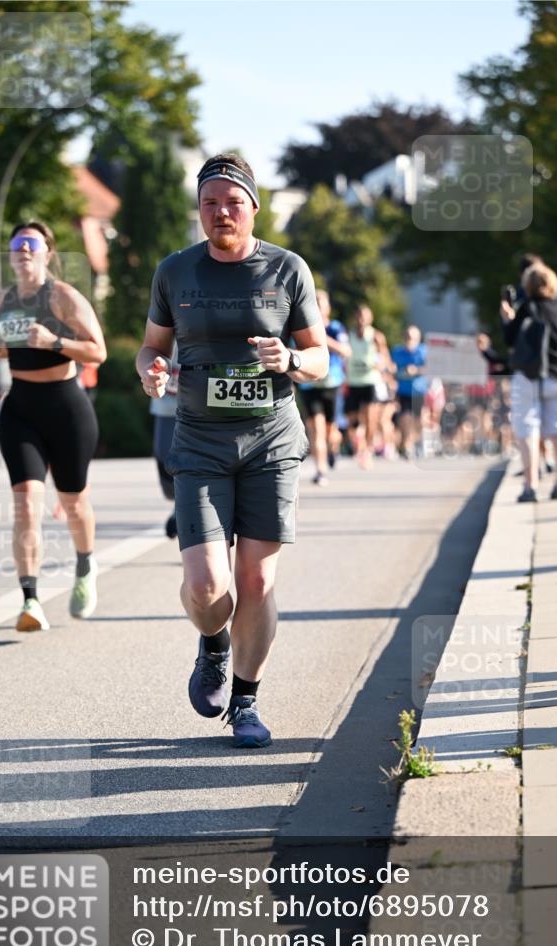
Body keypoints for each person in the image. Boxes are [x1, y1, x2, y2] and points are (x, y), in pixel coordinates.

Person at [137, 152, 328, 749]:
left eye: (233, 202)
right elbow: (149, 348)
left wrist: (291, 360)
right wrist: (152, 372)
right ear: (199, 210)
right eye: (210, 203)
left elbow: (321, 357)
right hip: (198, 442)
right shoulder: (175, 271)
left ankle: (245, 702)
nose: (221, 212)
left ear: (253, 206)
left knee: (259, 581)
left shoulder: (287, 269)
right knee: (205, 589)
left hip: (271, 440)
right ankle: (214, 643)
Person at [0, 221, 107, 630]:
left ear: (47, 253)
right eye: (17, 245)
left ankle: (85, 566)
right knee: (26, 505)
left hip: (66, 409)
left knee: (73, 503)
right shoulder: (3, 300)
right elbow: (9, 349)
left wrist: (53, 341)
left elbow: (97, 352)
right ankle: (30, 600)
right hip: (21, 410)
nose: (23, 250)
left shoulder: (63, 297)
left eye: (31, 243)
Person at [501, 263, 557, 501]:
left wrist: (507, 319)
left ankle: (530, 486)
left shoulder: (526, 309)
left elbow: (510, 340)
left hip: (528, 376)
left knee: (527, 431)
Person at [298, 288, 350, 485]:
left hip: (332, 383)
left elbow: (346, 351)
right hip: (309, 385)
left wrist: (321, 339)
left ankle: (334, 450)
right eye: (315, 303)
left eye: (322, 303)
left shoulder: (336, 328)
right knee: (316, 430)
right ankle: (321, 470)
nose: (318, 307)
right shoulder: (301, 327)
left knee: (331, 432)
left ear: (328, 307)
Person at [344, 305, 389, 468]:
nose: (361, 319)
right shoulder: (349, 335)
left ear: (370, 319)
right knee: (352, 420)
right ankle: (358, 445)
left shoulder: (376, 336)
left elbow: (385, 358)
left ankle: (368, 450)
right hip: (353, 382)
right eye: (359, 316)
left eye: (365, 316)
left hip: (371, 381)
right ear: (355, 318)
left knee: (371, 418)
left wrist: (380, 365)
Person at [150, 343, 180, 538]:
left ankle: (182, 510)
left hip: (205, 401)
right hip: (168, 402)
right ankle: (179, 503)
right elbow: (149, 348)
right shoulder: (164, 311)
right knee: (164, 458)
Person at [391, 325, 428, 459]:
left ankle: (418, 442)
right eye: (407, 337)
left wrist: (416, 370)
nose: (409, 340)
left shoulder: (424, 351)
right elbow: (392, 367)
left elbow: (431, 367)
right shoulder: (397, 351)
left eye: (412, 337)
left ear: (418, 338)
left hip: (419, 390)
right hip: (403, 391)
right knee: (405, 418)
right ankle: (407, 445)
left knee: (418, 419)